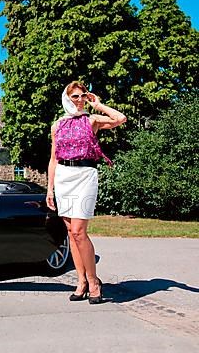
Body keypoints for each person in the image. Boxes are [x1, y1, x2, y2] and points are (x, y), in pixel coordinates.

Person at [46, 81, 126, 304]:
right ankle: (80, 281)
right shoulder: (57, 125)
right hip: (63, 177)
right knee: (71, 232)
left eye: (82, 96)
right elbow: (53, 159)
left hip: (85, 176)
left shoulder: (91, 120)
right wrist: (50, 189)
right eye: (75, 97)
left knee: (80, 231)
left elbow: (120, 119)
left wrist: (99, 105)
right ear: (66, 98)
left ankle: (93, 282)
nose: (79, 100)